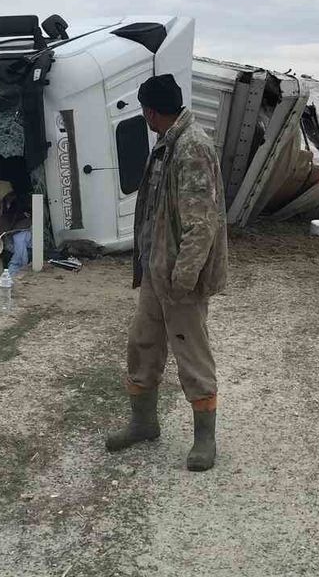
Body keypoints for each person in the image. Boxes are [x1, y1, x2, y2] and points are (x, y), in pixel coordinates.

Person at [106, 74, 229, 472]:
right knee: (142, 344)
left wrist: (184, 278)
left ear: (151, 111)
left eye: (144, 111)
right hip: (157, 270)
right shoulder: (168, 143)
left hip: (179, 278)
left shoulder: (191, 147)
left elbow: (201, 223)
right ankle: (144, 424)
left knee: (191, 354)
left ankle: (205, 440)